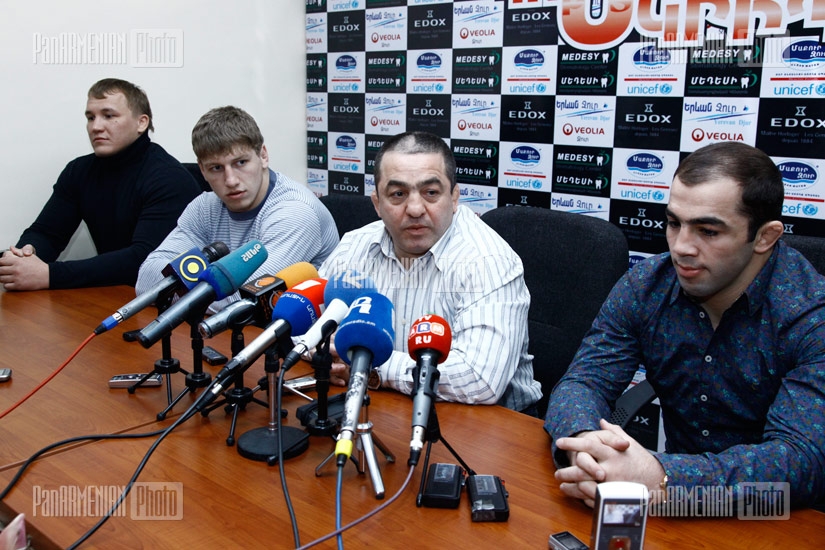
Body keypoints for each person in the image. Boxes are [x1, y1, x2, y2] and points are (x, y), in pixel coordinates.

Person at [545, 141, 825, 510]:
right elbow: (584, 380)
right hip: (668, 505)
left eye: (708, 231)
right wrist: (586, 449)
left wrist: (663, 480)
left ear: (765, 237)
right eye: (674, 223)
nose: (681, 247)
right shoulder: (646, 285)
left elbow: (799, 462)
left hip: (781, 511)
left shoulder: (811, 315)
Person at [319, 131, 541, 414]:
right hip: (383, 407)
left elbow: (480, 380)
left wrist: (365, 366)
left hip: (489, 425)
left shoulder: (489, 260)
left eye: (431, 193)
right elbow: (307, 324)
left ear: (454, 197)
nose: (414, 209)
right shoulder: (355, 245)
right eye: (398, 194)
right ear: (377, 204)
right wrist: (317, 349)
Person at [0, 78, 200, 291]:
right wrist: (27, 255)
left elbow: (144, 260)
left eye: (109, 116)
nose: (95, 126)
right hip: (108, 294)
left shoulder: (169, 177)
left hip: (163, 301)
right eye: (90, 117)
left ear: (141, 122)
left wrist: (50, 275)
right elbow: (47, 233)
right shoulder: (78, 171)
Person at [136, 105, 339, 311]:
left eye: (240, 162)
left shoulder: (296, 211)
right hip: (222, 331)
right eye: (216, 168)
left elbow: (245, 300)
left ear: (263, 156)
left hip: (297, 336)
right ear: (202, 171)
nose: (231, 180)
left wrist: (183, 286)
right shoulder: (204, 208)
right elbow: (147, 280)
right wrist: (210, 288)